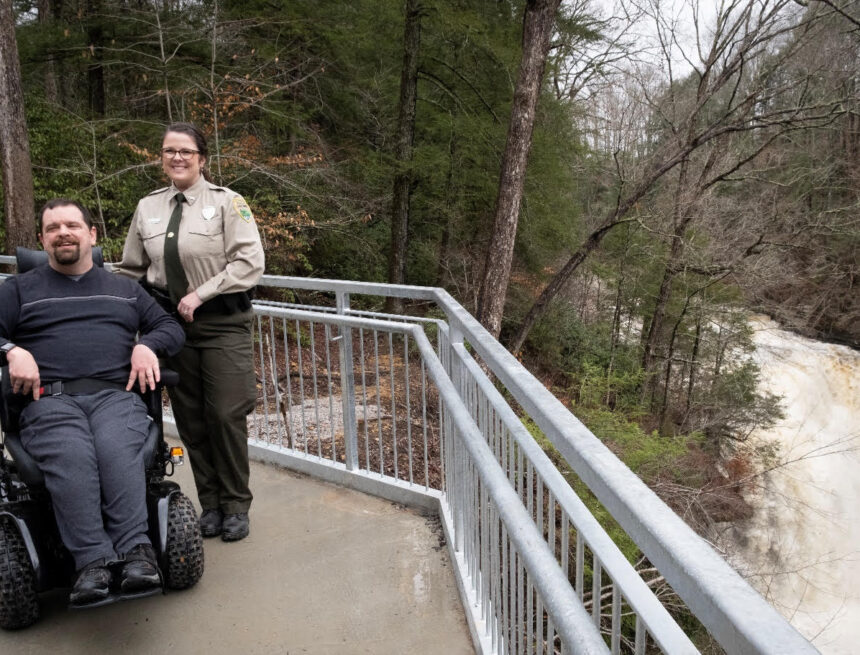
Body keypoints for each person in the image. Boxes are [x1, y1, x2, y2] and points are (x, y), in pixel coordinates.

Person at [0, 199, 185, 606]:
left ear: (92, 235)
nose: (63, 233)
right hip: (50, 401)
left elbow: (170, 327)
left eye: (72, 225)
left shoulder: (124, 290)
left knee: (116, 449)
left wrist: (148, 346)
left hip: (115, 397)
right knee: (73, 455)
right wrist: (12, 349)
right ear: (42, 240)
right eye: (53, 228)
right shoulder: (17, 290)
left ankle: (137, 554)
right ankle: (92, 563)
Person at [115, 122, 264, 542]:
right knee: (192, 419)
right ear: (161, 158)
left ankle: (236, 503)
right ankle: (211, 504)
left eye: (185, 151)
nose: (176, 158)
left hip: (222, 324)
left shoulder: (228, 203)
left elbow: (249, 264)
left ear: (201, 157)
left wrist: (201, 293)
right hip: (171, 328)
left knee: (225, 414)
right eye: (168, 151)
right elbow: (131, 270)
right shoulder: (148, 208)